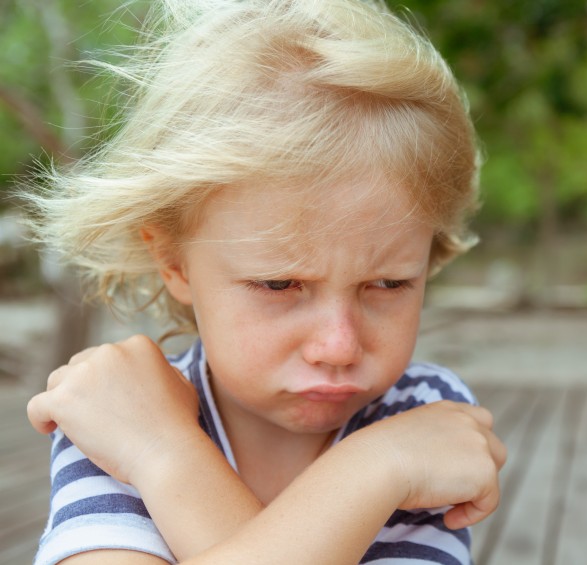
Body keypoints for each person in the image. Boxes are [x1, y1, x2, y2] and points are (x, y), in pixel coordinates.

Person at [21, 0, 506, 563]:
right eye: (279, 284)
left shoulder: (422, 417)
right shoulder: (118, 412)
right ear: (175, 261)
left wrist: (159, 458)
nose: (338, 346)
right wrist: (377, 471)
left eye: (390, 284)